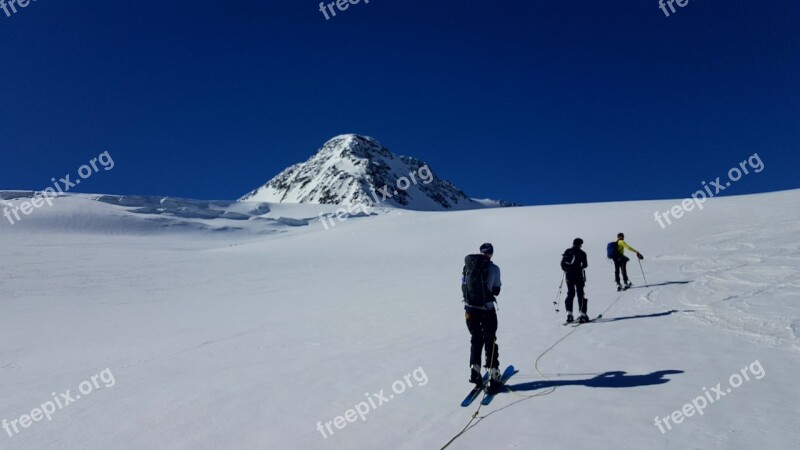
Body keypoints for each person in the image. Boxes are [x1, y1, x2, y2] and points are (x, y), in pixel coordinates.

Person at [462, 243, 503, 393]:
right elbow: (496, 290)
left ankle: (475, 370)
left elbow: (464, 286)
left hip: (470, 310)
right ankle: (493, 375)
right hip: (487, 310)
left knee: (476, 339)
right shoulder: (494, 268)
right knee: (490, 340)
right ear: (491, 253)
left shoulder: (468, 267)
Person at [561, 238, 589, 323]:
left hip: (569, 276)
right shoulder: (582, 253)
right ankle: (582, 315)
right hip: (578, 276)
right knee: (580, 293)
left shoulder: (568, 251)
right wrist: (579, 267)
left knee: (570, 293)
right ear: (580, 244)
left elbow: (563, 264)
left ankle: (569, 314)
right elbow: (585, 265)